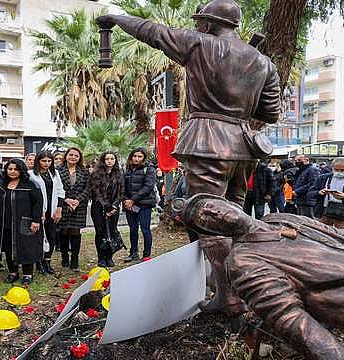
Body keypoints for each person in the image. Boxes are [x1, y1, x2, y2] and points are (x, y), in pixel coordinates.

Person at [95, 0, 280, 314]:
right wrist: (240, 92)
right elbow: (270, 112)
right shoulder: (263, 62)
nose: (196, 27)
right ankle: (239, 286)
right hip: (244, 147)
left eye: (199, 22)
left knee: (210, 221)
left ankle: (227, 297)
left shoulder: (200, 43)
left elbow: (152, 32)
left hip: (208, 141)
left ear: (208, 24)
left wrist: (116, 17)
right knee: (233, 219)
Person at [175, 193, 344, 359]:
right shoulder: (243, 261)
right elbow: (292, 320)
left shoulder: (284, 218)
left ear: (229, 203)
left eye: (210, 206)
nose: (213, 212)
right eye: (205, 218)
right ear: (213, 231)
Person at [0, 159, 43, 285]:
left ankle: (27, 274)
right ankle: (13, 272)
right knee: (9, 247)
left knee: (26, 247)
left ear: (21, 170)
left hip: (25, 222)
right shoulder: (2, 184)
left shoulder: (30, 184)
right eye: (10, 169)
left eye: (15, 169)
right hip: (6, 223)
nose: (12, 171)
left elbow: (38, 203)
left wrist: (36, 220)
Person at [29, 151, 65, 275]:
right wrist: (38, 212)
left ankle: (47, 262)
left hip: (53, 209)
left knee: (51, 236)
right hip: (39, 211)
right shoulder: (31, 175)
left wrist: (59, 209)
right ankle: (39, 263)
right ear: (38, 161)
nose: (47, 163)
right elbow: (32, 197)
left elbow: (61, 191)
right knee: (39, 237)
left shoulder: (55, 174)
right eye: (44, 161)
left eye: (49, 161)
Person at [58, 148, 90, 271]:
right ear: (66, 156)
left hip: (79, 205)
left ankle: (75, 258)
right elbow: (55, 188)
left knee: (75, 232)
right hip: (63, 204)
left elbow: (87, 188)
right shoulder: (58, 170)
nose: (73, 157)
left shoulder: (84, 171)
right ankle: (64, 255)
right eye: (70, 155)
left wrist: (77, 200)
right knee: (64, 231)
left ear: (79, 158)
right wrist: (66, 200)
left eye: (76, 155)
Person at [90, 152, 124, 267]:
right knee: (100, 232)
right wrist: (106, 206)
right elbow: (96, 192)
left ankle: (109, 257)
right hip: (98, 207)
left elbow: (121, 192)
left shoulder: (119, 173)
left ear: (115, 160)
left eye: (112, 158)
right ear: (103, 160)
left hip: (114, 208)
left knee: (112, 231)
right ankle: (101, 258)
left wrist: (114, 206)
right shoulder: (96, 173)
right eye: (107, 159)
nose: (109, 161)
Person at [123, 148, 156, 262]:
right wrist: (126, 200)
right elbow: (122, 187)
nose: (136, 158)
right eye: (135, 156)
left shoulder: (149, 169)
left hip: (144, 205)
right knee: (133, 229)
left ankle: (146, 254)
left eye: (139, 156)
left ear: (144, 158)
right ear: (131, 157)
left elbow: (148, 187)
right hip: (129, 205)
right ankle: (133, 252)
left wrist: (133, 200)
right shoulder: (127, 170)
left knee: (145, 229)